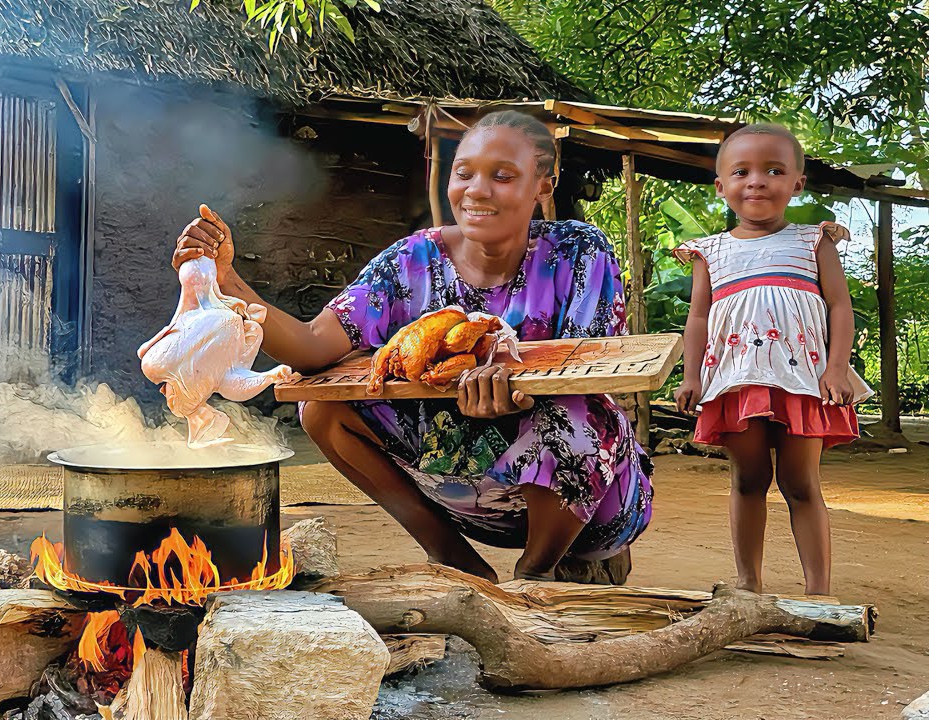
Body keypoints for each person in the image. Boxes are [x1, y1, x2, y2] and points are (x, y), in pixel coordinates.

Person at [172, 111, 653, 584]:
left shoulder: (579, 253)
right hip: (476, 500)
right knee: (320, 408)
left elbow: (591, 366)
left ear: (543, 186)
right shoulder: (412, 262)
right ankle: (452, 557)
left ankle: (535, 572)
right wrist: (227, 279)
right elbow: (312, 346)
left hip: (591, 506)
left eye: (502, 176)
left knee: (578, 412)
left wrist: (509, 373)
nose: (477, 191)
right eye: (464, 173)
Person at [673, 123, 869, 597]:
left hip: (803, 380)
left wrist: (837, 366)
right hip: (736, 381)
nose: (756, 181)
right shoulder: (709, 252)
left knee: (801, 483)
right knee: (748, 480)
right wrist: (692, 375)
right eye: (741, 172)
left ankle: (819, 594)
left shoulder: (813, 241)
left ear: (797, 184)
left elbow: (840, 306)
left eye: (773, 170)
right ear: (721, 187)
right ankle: (748, 587)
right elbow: (698, 318)